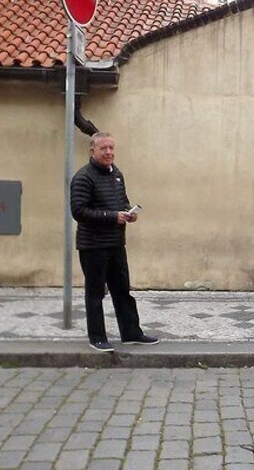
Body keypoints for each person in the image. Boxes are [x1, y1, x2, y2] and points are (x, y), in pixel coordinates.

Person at [70, 132, 159, 352]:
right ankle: (97, 337)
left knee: (122, 291)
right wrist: (113, 217)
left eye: (111, 148)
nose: (109, 152)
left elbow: (122, 201)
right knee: (95, 293)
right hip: (93, 246)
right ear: (93, 151)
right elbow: (79, 211)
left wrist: (129, 213)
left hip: (116, 244)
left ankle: (131, 333)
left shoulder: (117, 174)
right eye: (104, 148)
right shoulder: (83, 177)